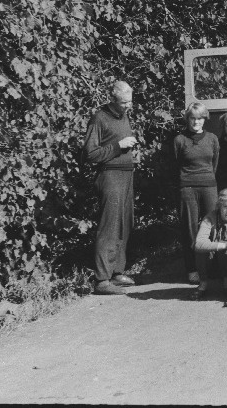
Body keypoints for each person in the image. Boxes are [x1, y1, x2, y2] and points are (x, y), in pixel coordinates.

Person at [82, 81, 138, 295]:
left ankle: (117, 272)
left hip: (126, 174)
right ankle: (102, 279)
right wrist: (119, 146)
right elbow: (90, 154)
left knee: (125, 222)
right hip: (109, 175)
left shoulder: (124, 115)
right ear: (112, 101)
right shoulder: (99, 118)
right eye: (124, 103)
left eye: (130, 101)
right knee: (109, 225)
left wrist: (129, 149)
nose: (128, 106)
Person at [173, 102, 220, 292]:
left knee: (213, 225)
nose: (196, 122)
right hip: (187, 187)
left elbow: (214, 163)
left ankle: (213, 266)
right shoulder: (179, 140)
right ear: (188, 119)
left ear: (205, 119)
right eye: (192, 118)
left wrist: (207, 178)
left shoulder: (212, 139)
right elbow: (175, 164)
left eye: (200, 118)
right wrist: (188, 180)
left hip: (209, 185)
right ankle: (192, 268)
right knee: (190, 227)